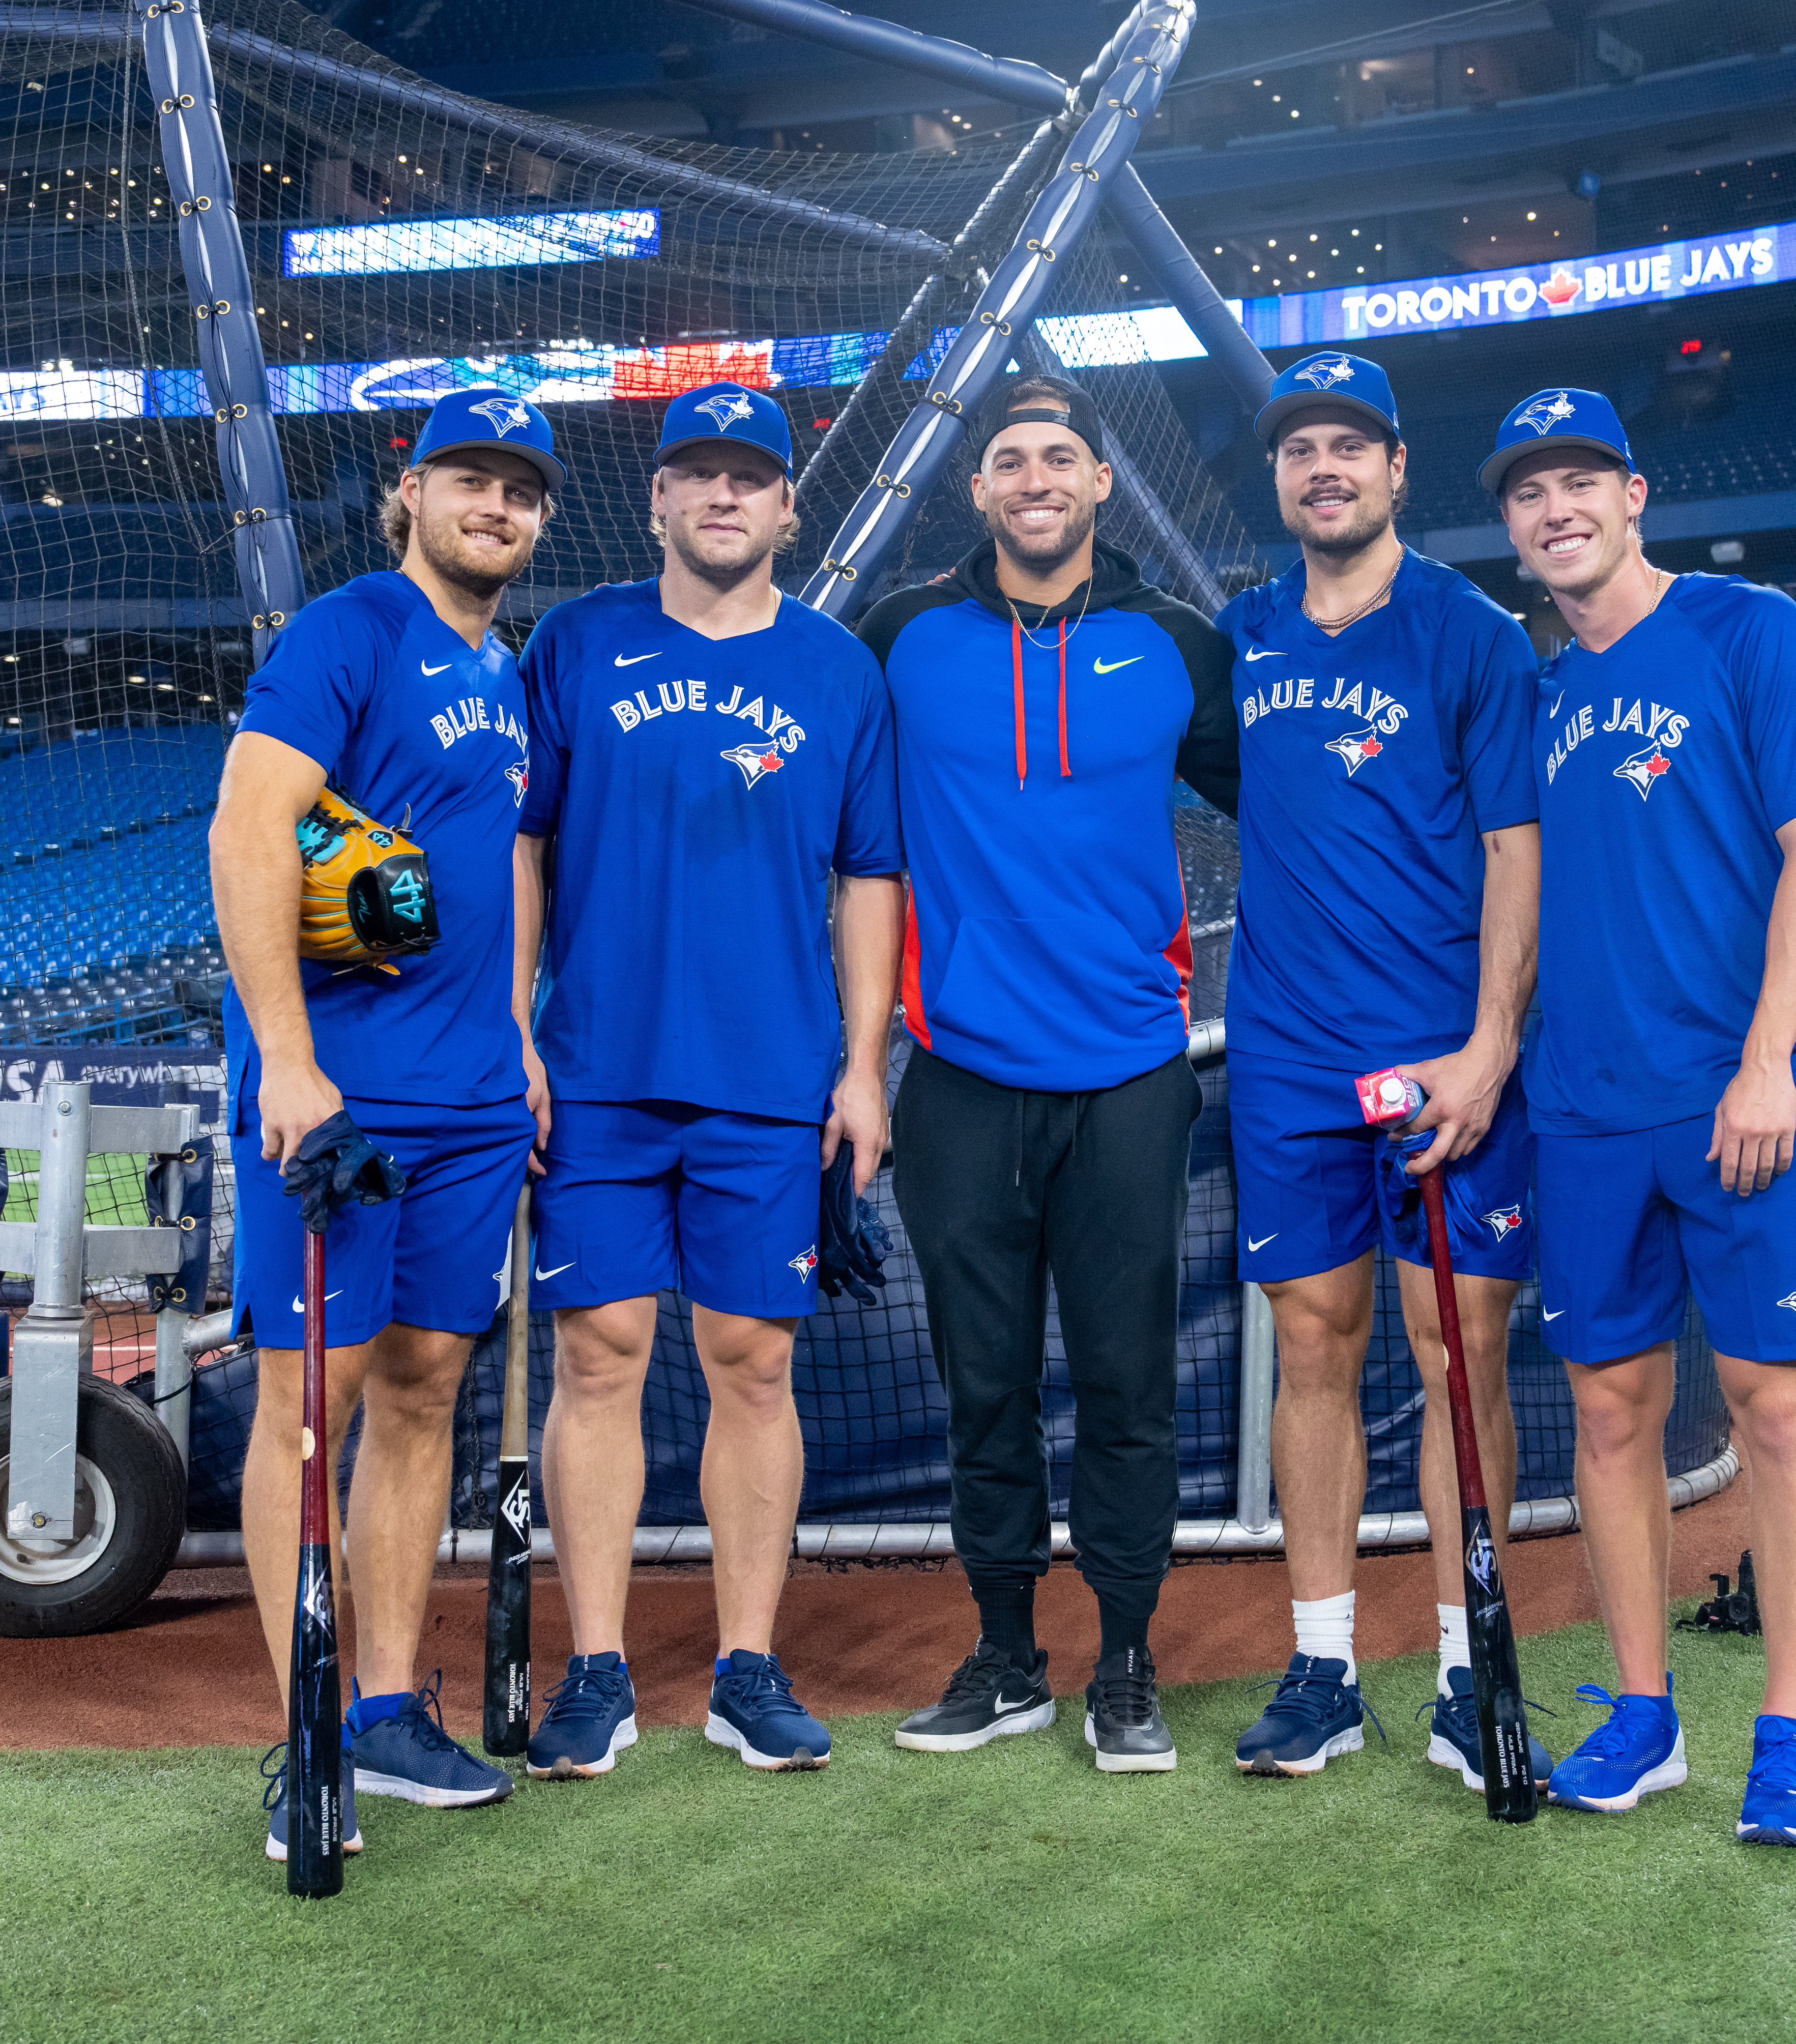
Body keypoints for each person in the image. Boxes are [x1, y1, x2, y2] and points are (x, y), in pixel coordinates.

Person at [1489, 386, 1796, 1846]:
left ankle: (1789, 1733)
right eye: (1529, 491)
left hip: (1741, 1098)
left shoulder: (1746, 630)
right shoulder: (1541, 697)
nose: (1556, 507)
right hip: (1585, 1113)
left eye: (1582, 479)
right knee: (1606, 1411)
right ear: (1512, 524)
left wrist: (1770, 1056)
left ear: (1636, 494)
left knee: (1777, 1412)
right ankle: (1645, 1714)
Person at [513, 383, 903, 1777]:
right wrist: (514, 1031)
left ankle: (748, 1663)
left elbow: (872, 876)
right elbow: (523, 846)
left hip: (770, 1080)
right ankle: (599, 1669)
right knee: (599, 1358)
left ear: (790, 508)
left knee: (753, 1364)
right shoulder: (576, 641)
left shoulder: (841, 669)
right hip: (601, 1072)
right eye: (699, 474)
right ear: (661, 500)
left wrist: (863, 1070)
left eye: (753, 476)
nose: (725, 496)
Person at [855, 373, 1238, 1772]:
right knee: (986, 1390)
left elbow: (1297, 801)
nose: (1034, 477)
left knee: (1133, 1385)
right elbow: (831, 821)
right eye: (1009, 456)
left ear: (1099, 485)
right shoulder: (898, 636)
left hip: (1133, 1078)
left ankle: (1125, 1665)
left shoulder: (1179, 646)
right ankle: (1007, 1656)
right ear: (978, 489)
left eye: (1059, 456)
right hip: (957, 1081)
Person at [211, 387, 559, 1857]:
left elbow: (505, 860)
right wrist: (290, 1066)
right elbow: (248, 828)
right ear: (406, 492)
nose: (497, 506)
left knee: (425, 1392)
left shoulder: (517, 669)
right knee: (312, 1412)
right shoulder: (348, 631)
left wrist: (523, 1030)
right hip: (343, 1106)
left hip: (477, 1102)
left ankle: (390, 1711)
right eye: (468, 479)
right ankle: (304, 1739)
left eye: (522, 490)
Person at [1212, 352, 1548, 1785]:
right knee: (1311, 1349)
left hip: (1441, 1057)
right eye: (1302, 451)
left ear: (1398, 470)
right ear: (1281, 478)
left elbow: (1517, 854)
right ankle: (1326, 1663)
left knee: (1458, 1354)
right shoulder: (1241, 633)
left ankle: (1472, 1670)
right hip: (1287, 1058)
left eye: (1353, 447)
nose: (1326, 469)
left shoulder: (1472, 634)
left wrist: (1489, 1045)